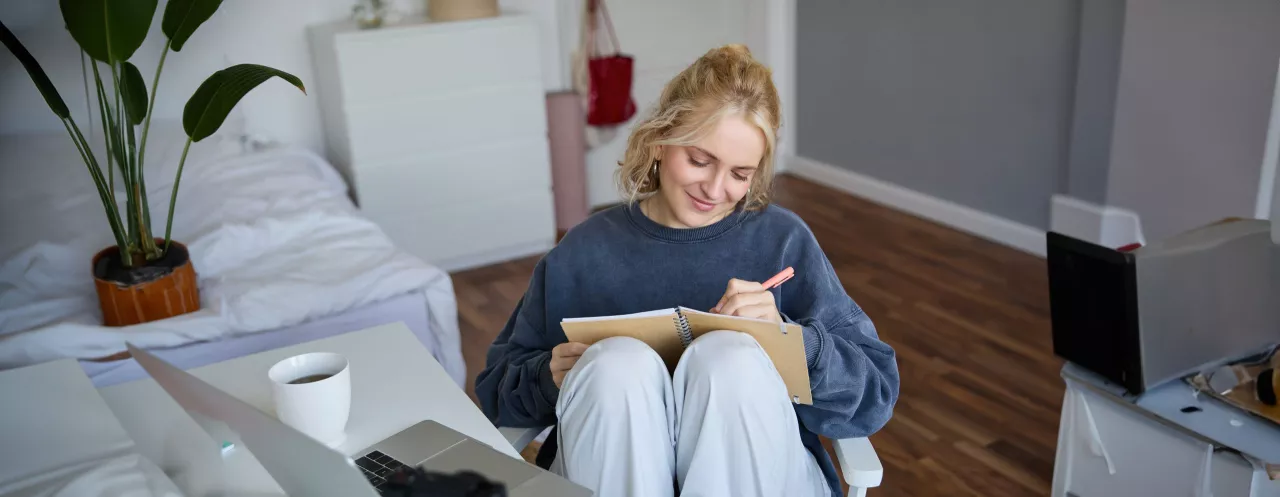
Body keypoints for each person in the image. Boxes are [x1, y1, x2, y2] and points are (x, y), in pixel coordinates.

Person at [475, 44, 899, 497]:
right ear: (660, 140)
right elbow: (497, 391)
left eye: (740, 174)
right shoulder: (583, 251)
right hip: (607, 476)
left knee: (730, 360)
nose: (714, 189)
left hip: (760, 476)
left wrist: (795, 343)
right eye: (700, 160)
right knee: (617, 366)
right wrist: (548, 377)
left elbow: (874, 394)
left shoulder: (782, 241)